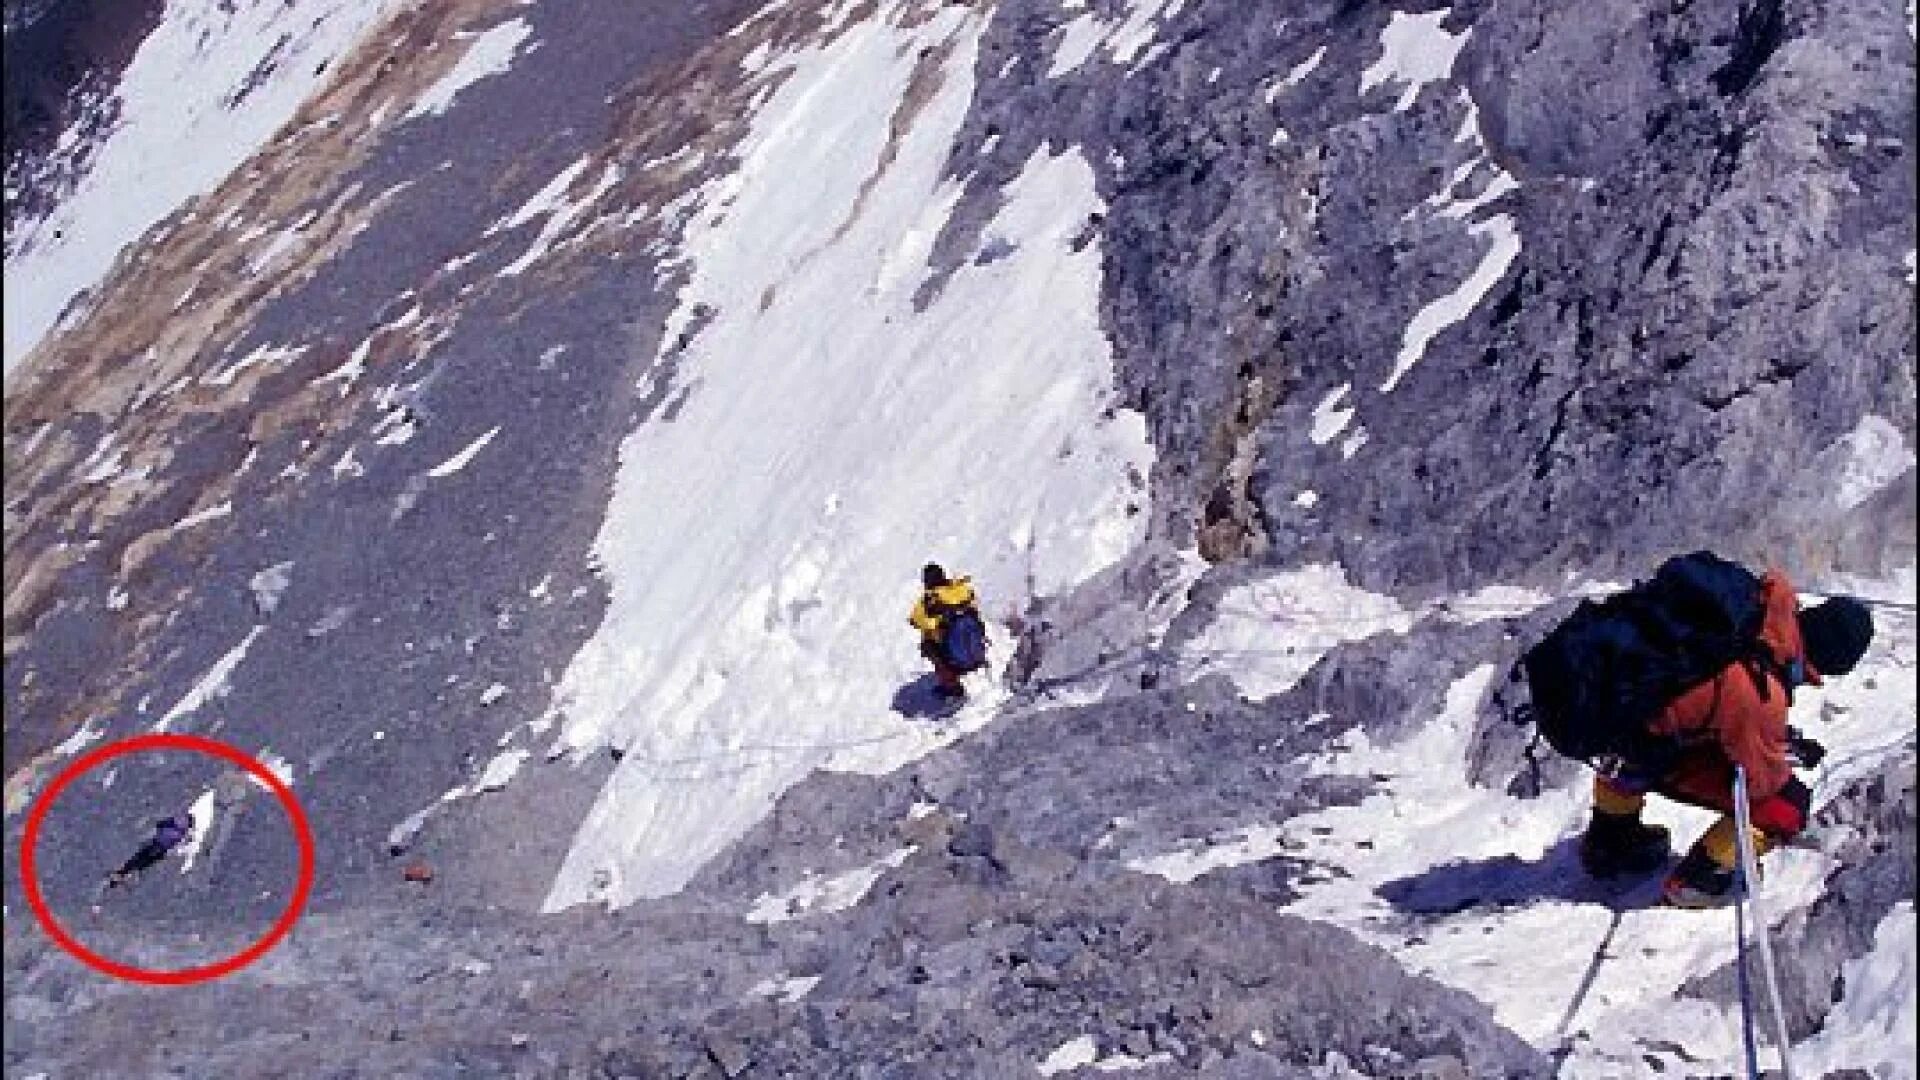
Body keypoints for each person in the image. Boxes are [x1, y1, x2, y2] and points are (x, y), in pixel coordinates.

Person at [1575, 573, 1874, 907]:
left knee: (1641, 741)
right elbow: (1760, 783)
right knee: (1786, 805)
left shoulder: (1751, 612)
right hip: (1645, 745)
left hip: (1605, 715)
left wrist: (1770, 737)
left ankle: (1612, 841)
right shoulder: (1762, 687)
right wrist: (1774, 752)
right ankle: (1701, 878)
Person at [909, 563, 982, 701]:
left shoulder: (930, 599)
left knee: (928, 644)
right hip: (975, 648)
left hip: (952, 655)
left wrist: (937, 622)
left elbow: (915, 621)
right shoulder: (963, 588)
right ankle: (975, 658)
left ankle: (951, 687)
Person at [107, 812, 196, 888]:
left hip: (157, 841)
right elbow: (182, 843)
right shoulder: (184, 831)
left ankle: (122, 873)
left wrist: (161, 831)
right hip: (163, 848)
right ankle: (130, 872)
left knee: (140, 856)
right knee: (147, 860)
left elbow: (160, 824)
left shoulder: (175, 821)